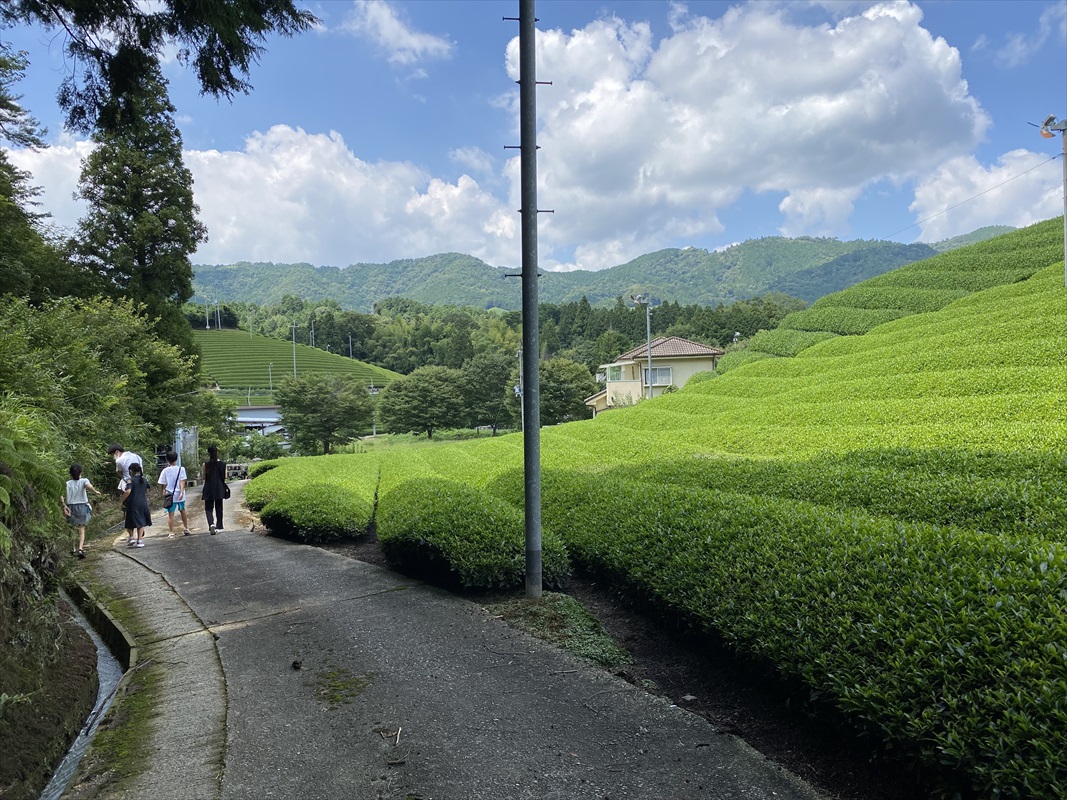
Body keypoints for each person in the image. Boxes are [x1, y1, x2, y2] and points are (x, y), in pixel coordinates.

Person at [62, 463, 101, 558]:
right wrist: (95, 492)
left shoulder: (67, 484)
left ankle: (73, 549)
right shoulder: (84, 481)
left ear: (70, 473)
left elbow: (61, 495)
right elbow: (89, 486)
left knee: (72, 529)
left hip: (70, 507)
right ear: (81, 472)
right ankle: (80, 549)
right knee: (81, 529)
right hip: (82, 507)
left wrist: (64, 505)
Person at [158, 451, 192, 537]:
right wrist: (181, 492)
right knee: (182, 510)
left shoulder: (165, 471)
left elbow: (162, 483)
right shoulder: (181, 469)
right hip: (180, 495)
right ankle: (186, 528)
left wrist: (163, 491)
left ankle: (171, 532)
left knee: (170, 514)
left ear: (167, 460)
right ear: (176, 459)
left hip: (170, 495)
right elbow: (182, 481)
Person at [120, 462, 152, 547]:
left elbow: (128, 491)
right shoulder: (144, 479)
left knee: (130, 520)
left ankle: (131, 537)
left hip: (133, 503)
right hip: (143, 502)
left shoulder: (130, 480)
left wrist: (121, 500)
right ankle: (140, 540)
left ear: (131, 470)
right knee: (141, 521)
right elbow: (147, 489)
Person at [201, 444, 227, 535]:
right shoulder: (223, 464)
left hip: (208, 488)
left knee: (208, 508)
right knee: (219, 507)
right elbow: (225, 476)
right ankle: (219, 526)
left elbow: (203, 477)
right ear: (217, 453)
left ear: (209, 454)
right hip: (219, 488)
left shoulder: (206, 465)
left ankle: (211, 524)